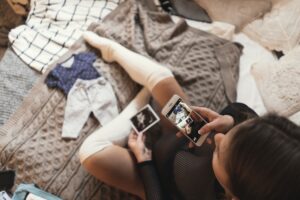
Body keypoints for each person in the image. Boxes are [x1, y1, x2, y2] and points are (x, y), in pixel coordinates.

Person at [79, 31, 300, 200]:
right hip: (189, 137)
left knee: (91, 153)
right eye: (233, 134)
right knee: (162, 78)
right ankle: (123, 63)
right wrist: (232, 121)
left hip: (160, 181)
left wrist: (144, 161)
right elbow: (241, 112)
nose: (221, 138)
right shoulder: (264, 157)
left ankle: (142, 100)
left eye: (221, 151)